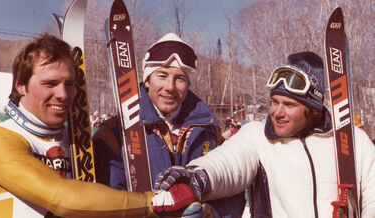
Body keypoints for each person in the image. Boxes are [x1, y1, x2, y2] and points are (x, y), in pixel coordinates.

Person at [0, 34, 196, 218]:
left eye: (69, 84)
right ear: (20, 85)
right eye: (49, 83)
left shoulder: (79, 141)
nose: (63, 94)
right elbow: (61, 197)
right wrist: (154, 202)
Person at [154, 51, 375, 217]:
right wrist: (196, 177)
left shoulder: (352, 140)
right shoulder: (259, 136)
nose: (277, 112)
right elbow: (228, 162)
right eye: (274, 102)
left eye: (289, 104)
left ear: (313, 110)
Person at [93, 32, 245, 217]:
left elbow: (232, 189)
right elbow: (107, 200)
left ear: (187, 84)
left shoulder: (209, 131)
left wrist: (215, 214)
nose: (170, 87)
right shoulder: (115, 133)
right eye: (162, 76)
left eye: (179, 78)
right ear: (147, 80)